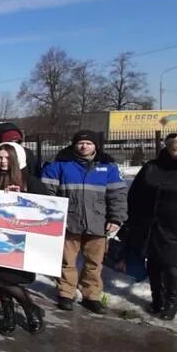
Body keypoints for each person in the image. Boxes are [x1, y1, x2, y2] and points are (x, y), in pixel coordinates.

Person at [42, 130, 127, 314]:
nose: (84, 146)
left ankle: (92, 295)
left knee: (94, 263)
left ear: (95, 145)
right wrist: (54, 217)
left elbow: (118, 196)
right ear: (74, 145)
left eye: (88, 143)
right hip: (68, 222)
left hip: (98, 222)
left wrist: (116, 219)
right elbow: (46, 194)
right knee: (67, 261)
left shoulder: (108, 167)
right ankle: (66, 293)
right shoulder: (59, 165)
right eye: (80, 143)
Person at [0, 142, 45, 334]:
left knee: (8, 280)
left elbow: (46, 209)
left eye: (7, 157)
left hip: (19, 241)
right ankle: (8, 314)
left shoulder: (30, 181)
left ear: (16, 160)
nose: (2, 161)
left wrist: (23, 198)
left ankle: (29, 308)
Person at [125, 133, 177, 321]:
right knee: (154, 263)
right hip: (148, 224)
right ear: (167, 148)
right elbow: (135, 194)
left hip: (176, 227)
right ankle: (156, 299)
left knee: (171, 265)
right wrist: (132, 219)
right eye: (175, 148)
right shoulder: (151, 167)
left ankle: (171, 304)